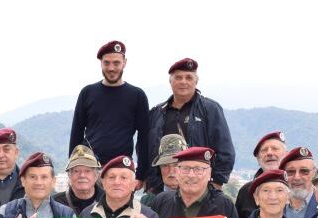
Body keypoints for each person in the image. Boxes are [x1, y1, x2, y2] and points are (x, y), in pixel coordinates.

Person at [146, 58, 235, 193]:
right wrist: (151, 183)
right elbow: (146, 148)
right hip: (164, 186)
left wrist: (216, 182)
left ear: (196, 82)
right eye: (178, 77)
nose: (183, 81)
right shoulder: (156, 112)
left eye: (188, 77)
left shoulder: (210, 109)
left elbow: (225, 149)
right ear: (170, 81)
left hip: (199, 185)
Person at [69, 41, 150, 186]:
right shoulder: (87, 93)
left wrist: (141, 175)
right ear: (101, 63)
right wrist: (73, 169)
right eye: (106, 63)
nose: (111, 68)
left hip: (122, 169)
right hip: (90, 168)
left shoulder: (137, 95)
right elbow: (76, 133)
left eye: (116, 63)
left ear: (124, 63)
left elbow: (144, 138)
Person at [235, 131, 287, 218]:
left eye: (275, 148)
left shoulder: (297, 186)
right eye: (264, 150)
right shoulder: (246, 192)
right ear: (258, 160)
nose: (269, 153)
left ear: (286, 155)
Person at [141, 133, 187, 202]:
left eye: (176, 165)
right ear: (159, 169)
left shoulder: (200, 198)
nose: (171, 171)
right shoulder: (147, 202)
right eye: (165, 165)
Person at [280, 146, 318, 218]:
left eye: (304, 171)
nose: (297, 177)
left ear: (315, 174)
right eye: (291, 172)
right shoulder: (276, 206)